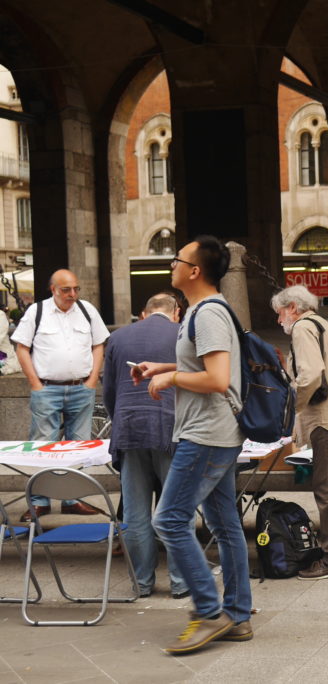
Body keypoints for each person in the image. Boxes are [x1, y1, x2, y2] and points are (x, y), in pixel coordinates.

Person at [137, 235, 252, 655]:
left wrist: (171, 378)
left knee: (168, 520)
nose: (172, 265)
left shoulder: (208, 314)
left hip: (206, 434)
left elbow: (217, 379)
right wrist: (165, 366)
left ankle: (209, 611)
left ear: (195, 270)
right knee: (225, 526)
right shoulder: (201, 312)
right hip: (215, 432)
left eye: (177, 259)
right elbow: (206, 363)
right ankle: (237, 616)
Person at [102, 293, 188, 599]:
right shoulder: (182, 333)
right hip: (171, 428)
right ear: (176, 312)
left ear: (143, 313)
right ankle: (180, 582)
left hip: (129, 429)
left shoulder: (118, 337)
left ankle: (142, 582)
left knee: (135, 513)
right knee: (176, 509)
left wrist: (120, 420)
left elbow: (109, 392)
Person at [271, 284, 328, 580]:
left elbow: (310, 376)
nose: (279, 320)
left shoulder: (302, 327)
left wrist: (291, 410)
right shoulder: (326, 326)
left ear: (292, 308)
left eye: (280, 313)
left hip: (325, 416)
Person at [12, 268, 109, 521]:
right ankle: (39, 502)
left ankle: (72, 499)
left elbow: (98, 345)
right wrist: (35, 384)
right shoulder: (37, 311)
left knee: (78, 447)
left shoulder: (87, 310)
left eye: (76, 289)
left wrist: (92, 381)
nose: (72, 294)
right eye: (66, 290)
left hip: (81, 388)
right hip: (47, 389)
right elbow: (21, 348)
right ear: (53, 289)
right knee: (42, 447)